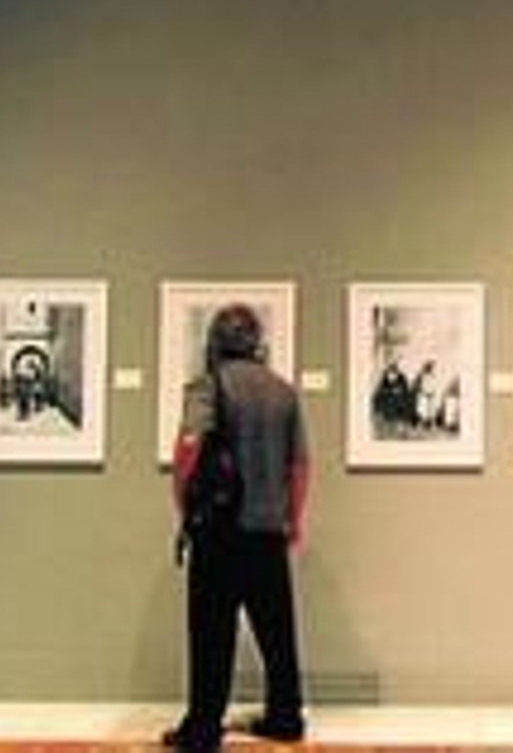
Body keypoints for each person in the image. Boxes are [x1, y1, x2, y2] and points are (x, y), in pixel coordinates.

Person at [165, 305, 310, 750]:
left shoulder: (207, 385)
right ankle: (285, 716)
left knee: (211, 633)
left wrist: (184, 502)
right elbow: (300, 465)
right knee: (277, 630)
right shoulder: (283, 392)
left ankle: (203, 727)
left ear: (215, 341)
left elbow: (189, 446)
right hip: (268, 528)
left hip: (220, 529)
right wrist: (293, 519)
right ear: (255, 342)